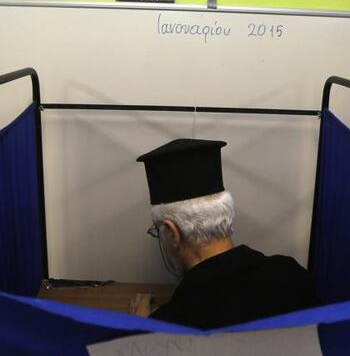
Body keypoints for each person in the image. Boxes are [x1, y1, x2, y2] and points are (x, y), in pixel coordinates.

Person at [131, 138, 317, 329]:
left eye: (159, 229)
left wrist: (139, 326)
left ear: (172, 233)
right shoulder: (293, 276)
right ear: (226, 213)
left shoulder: (172, 324)